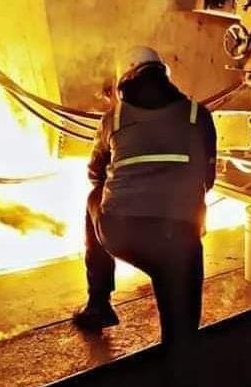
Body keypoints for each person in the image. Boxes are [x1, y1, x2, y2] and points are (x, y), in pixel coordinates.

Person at [73, 45, 218, 353]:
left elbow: (95, 174)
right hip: (181, 238)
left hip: (123, 234)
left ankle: (98, 303)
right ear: (164, 74)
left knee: (94, 197)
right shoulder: (199, 114)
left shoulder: (113, 118)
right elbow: (207, 180)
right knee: (182, 338)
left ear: (125, 79)